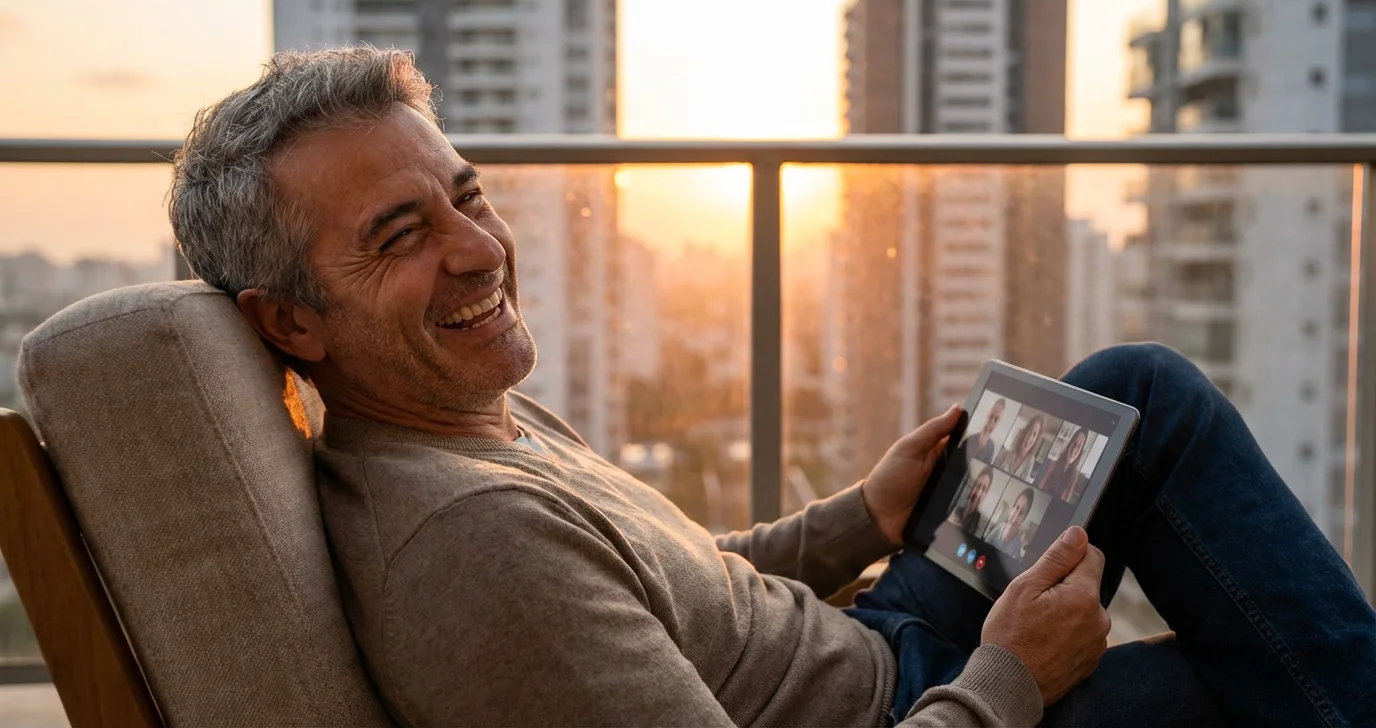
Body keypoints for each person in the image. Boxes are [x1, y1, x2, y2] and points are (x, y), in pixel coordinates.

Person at [169, 48, 1376, 726]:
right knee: (1250, 683)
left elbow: (658, 585)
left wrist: (859, 514)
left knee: (1133, 390)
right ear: (289, 321)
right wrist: (1008, 678)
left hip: (867, 639)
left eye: (465, 195)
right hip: (908, 706)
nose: (479, 249)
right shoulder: (467, 547)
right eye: (397, 234)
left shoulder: (466, 411)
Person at [1036, 427, 1089, 503]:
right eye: (1074, 443)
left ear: (1081, 451)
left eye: (1079, 446)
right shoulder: (1054, 463)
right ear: (1070, 444)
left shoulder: (1075, 475)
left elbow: (1066, 500)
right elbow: (1041, 486)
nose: (1074, 449)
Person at [986, 488, 1036, 558]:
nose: (1016, 514)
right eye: (1017, 507)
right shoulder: (999, 527)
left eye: (1021, 513)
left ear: (1023, 519)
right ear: (1013, 508)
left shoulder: (1017, 547)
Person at [996, 413, 1045, 482]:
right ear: (1025, 432)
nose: (1030, 438)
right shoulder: (1009, 452)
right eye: (1029, 432)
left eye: (1034, 434)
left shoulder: (1030, 460)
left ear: (1036, 440)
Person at [946, 466, 995, 535]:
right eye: (978, 485)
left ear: (985, 493)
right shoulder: (956, 509)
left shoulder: (979, 524)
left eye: (983, 489)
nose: (978, 493)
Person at [959, 398, 1005, 464]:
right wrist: (979, 447)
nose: (991, 423)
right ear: (987, 416)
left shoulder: (991, 447)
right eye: (991, 416)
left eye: (996, 419)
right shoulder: (968, 440)